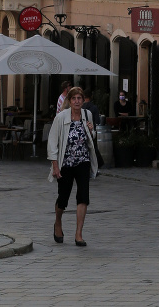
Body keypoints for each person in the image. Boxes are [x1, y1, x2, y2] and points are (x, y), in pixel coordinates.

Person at [47, 85, 98, 248]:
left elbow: (91, 137)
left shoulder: (87, 114)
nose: (77, 101)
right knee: (63, 198)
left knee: (83, 197)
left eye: (79, 98)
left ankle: (78, 234)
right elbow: (52, 143)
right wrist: (55, 165)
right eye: (74, 98)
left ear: (83, 100)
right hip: (66, 163)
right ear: (69, 101)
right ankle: (58, 223)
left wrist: (92, 130)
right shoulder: (61, 118)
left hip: (83, 161)